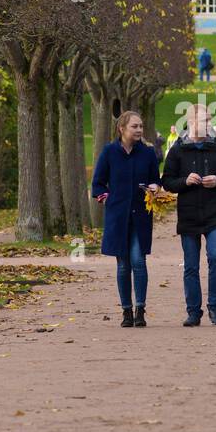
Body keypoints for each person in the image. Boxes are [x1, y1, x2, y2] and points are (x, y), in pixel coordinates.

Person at [161, 104, 216, 326]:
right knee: (191, 265)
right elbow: (167, 181)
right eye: (204, 120)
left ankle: (215, 307)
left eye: (209, 119)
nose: (208, 124)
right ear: (191, 121)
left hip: (214, 213)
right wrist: (184, 181)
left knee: (215, 258)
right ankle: (193, 311)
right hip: (188, 215)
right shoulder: (178, 149)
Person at [91, 111, 162, 328]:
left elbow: (155, 180)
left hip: (141, 216)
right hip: (118, 218)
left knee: (138, 261)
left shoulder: (148, 153)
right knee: (123, 265)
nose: (139, 130)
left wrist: (154, 188)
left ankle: (140, 309)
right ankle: (126, 311)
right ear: (122, 128)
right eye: (135, 127)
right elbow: (98, 184)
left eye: (141, 126)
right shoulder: (109, 152)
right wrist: (108, 199)